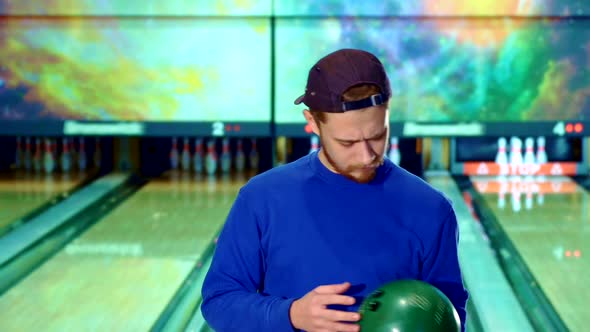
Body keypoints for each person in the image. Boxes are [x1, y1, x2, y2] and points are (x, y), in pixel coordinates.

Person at [200, 48, 468, 332]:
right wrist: (290, 314)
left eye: (378, 136)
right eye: (347, 143)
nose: (366, 155)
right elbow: (219, 301)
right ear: (313, 122)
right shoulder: (261, 199)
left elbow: (449, 316)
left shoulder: (431, 209)